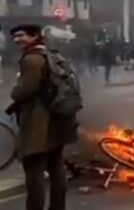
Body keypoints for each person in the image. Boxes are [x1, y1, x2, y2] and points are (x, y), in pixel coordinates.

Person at [5, 24, 77, 210]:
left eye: (21, 36)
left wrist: (14, 91)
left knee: (34, 168)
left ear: (34, 36)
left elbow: (24, 90)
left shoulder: (32, 59)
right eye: (14, 36)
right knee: (56, 166)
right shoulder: (53, 55)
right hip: (58, 119)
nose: (17, 40)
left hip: (39, 122)